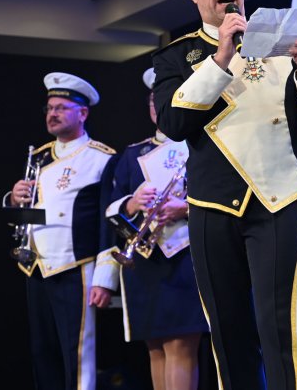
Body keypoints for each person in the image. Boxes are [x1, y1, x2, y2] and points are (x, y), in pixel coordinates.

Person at [152, 0, 297, 390]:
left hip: (278, 197)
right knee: (228, 328)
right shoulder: (177, 57)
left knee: (283, 326)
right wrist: (221, 57)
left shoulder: (282, 41)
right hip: (212, 203)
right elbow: (174, 123)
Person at [5, 72, 119, 390]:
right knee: (43, 354)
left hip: (75, 265)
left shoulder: (101, 157)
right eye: (49, 108)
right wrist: (13, 199)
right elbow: (30, 211)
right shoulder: (39, 155)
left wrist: (105, 277)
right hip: (37, 265)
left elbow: (108, 222)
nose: (52, 114)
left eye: (61, 108)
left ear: (82, 113)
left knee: (77, 353)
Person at [105, 68, 207, 390]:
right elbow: (111, 209)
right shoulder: (132, 154)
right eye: (152, 100)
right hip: (145, 259)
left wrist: (185, 208)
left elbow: (225, 202)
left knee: (180, 345)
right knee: (155, 348)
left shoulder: (204, 147)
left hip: (187, 258)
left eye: (163, 99)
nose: (156, 106)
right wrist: (132, 204)